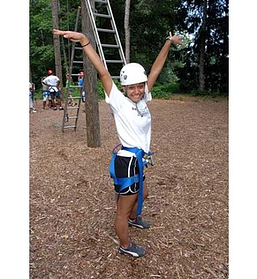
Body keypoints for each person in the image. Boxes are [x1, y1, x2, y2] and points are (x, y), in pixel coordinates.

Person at [54, 29, 183, 258]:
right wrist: (84, 41)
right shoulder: (119, 103)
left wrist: (168, 43)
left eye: (140, 86)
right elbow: (103, 72)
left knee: (141, 195)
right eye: (132, 87)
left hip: (139, 160)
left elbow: (156, 69)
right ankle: (125, 245)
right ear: (124, 88)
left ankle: (134, 219)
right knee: (122, 209)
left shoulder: (143, 99)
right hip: (127, 162)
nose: (137, 90)